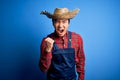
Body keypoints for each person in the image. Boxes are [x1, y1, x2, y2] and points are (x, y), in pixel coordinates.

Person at [39, 8, 85, 80]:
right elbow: (43, 69)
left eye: (64, 22)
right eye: (57, 22)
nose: (60, 25)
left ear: (68, 23)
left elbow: (81, 61)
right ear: (53, 23)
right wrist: (47, 50)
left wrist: (81, 78)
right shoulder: (46, 41)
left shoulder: (77, 39)